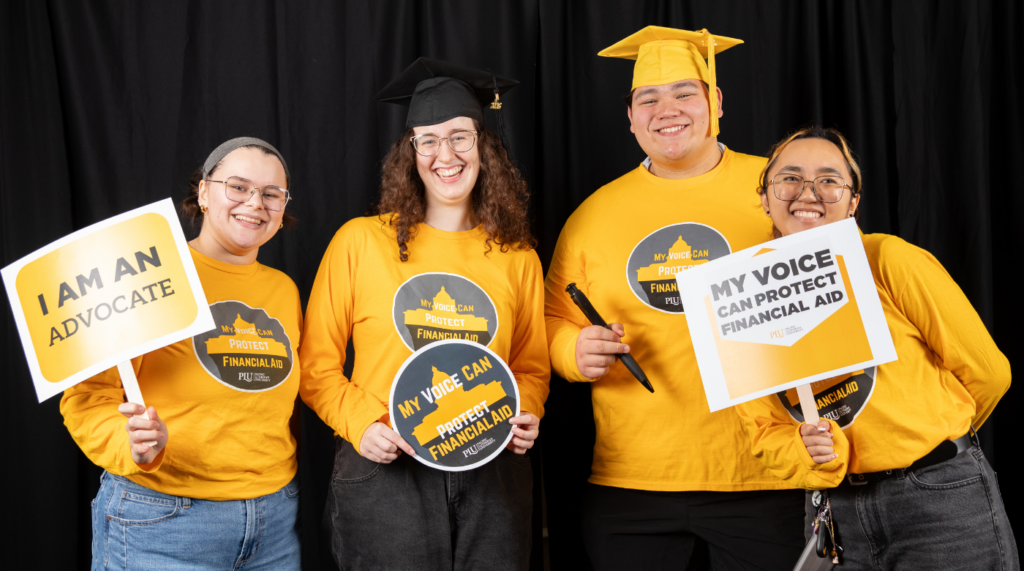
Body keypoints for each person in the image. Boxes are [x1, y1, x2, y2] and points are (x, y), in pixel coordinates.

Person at [544, 26, 806, 569]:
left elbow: (840, 292)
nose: (668, 109)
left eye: (686, 92)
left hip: (767, 470)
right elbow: (549, 321)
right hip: (631, 481)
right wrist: (574, 351)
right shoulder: (593, 215)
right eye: (649, 98)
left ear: (716, 102)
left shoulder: (779, 187)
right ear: (631, 115)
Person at [300, 58, 549, 570]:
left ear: (483, 145)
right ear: (409, 152)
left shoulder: (516, 255)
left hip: (491, 466)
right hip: (387, 468)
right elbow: (315, 365)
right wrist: (360, 423)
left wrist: (527, 410)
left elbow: (531, 365)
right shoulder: (360, 241)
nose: (445, 155)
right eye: (428, 140)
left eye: (460, 136)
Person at [735, 126, 1017, 569]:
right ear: (766, 197)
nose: (808, 192)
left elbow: (988, 373)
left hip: (940, 505)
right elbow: (762, 431)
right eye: (789, 178)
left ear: (853, 202)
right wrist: (802, 450)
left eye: (829, 180)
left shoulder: (889, 261)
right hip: (834, 513)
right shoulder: (739, 297)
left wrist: (927, 442)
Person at [61, 137, 303, 570]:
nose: (255, 203)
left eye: (272, 194)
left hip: (274, 523)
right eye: (238, 187)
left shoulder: (283, 289)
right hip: (164, 522)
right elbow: (86, 396)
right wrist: (130, 444)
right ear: (203, 193)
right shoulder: (145, 276)